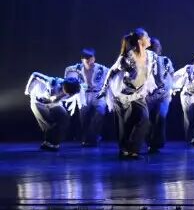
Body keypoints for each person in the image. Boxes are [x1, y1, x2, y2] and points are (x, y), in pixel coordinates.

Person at [98, 28, 160, 160]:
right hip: (122, 94)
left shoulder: (151, 56)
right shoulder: (127, 58)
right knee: (124, 124)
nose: (149, 39)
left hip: (138, 94)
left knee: (144, 119)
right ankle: (125, 150)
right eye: (147, 37)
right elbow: (112, 72)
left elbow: (148, 74)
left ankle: (133, 149)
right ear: (140, 41)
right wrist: (103, 89)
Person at [24, 73, 82, 151]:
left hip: (53, 102)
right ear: (63, 87)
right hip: (39, 102)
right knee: (49, 123)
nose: (69, 95)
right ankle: (47, 143)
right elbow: (35, 74)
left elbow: (57, 99)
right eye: (68, 93)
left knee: (64, 118)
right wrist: (27, 89)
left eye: (71, 93)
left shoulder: (74, 88)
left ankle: (55, 142)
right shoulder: (51, 82)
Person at [64, 48, 109, 146]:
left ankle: (94, 136)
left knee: (100, 112)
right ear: (82, 59)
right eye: (86, 59)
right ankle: (86, 138)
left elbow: (110, 77)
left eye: (91, 58)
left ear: (94, 58)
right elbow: (67, 73)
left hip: (98, 93)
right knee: (83, 116)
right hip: (83, 94)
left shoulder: (102, 69)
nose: (89, 61)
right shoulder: (76, 69)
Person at [146, 38, 175, 153]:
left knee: (161, 117)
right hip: (148, 95)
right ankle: (149, 141)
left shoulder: (166, 60)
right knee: (147, 119)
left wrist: (170, 87)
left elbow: (171, 74)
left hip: (163, 95)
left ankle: (157, 143)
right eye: (155, 46)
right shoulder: (145, 61)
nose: (158, 48)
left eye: (158, 45)